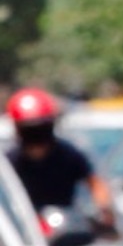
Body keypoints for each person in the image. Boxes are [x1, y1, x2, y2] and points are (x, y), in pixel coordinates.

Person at [5, 86, 117, 232]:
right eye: (29, 131)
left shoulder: (69, 155)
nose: (36, 139)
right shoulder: (9, 163)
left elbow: (95, 183)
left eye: (41, 129)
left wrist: (104, 210)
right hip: (25, 231)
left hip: (67, 227)